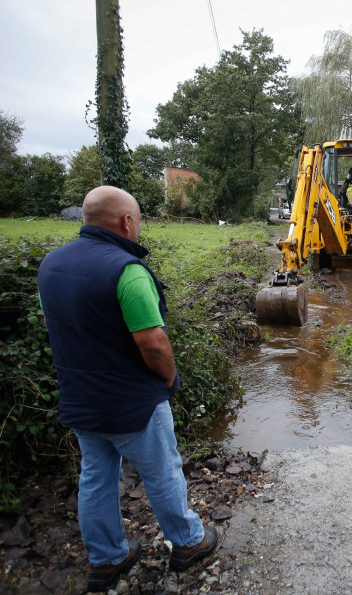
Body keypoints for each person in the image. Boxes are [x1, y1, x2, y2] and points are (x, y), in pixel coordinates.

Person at [37, 186, 217, 591]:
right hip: (131, 402)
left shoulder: (51, 265)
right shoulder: (127, 271)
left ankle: (107, 558)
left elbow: (54, 327)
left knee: (96, 477)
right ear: (126, 222)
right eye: (137, 220)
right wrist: (169, 378)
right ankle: (188, 542)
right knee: (162, 472)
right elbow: (152, 342)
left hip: (81, 399)